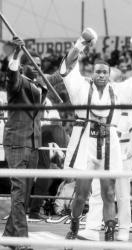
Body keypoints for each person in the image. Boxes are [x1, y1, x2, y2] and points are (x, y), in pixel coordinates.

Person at [59, 27, 132, 244]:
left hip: (109, 144)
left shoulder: (119, 90)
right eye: (98, 71)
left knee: (109, 194)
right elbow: (67, 67)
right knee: (81, 195)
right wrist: (81, 42)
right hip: (86, 143)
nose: (101, 75)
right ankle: (74, 227)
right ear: (92, 72)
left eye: (104, 72)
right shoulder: (81, 87)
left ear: (109, 75)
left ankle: (109, 237)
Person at [2, 36, 62, 250]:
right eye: (32, 63)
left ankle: (9, 234)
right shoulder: (17, 85)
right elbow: (12, 75)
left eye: (38, 63)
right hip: (17, 142)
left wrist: (79, 47)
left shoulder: (39, 88)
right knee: (19, 191)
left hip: (33, 144)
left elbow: (58, 75)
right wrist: (17, 54)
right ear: (25, 67)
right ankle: (21, 241)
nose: (36, 66)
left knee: (25, 192)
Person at [78, 68, 132, 242]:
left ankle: (124, 229)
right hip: (102, 146)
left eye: (110, 78)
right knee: (98, 190)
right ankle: (91, 228)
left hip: (122, 149)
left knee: (122, 192)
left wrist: (131, 144)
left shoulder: (128, 100)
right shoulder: (99, 99)